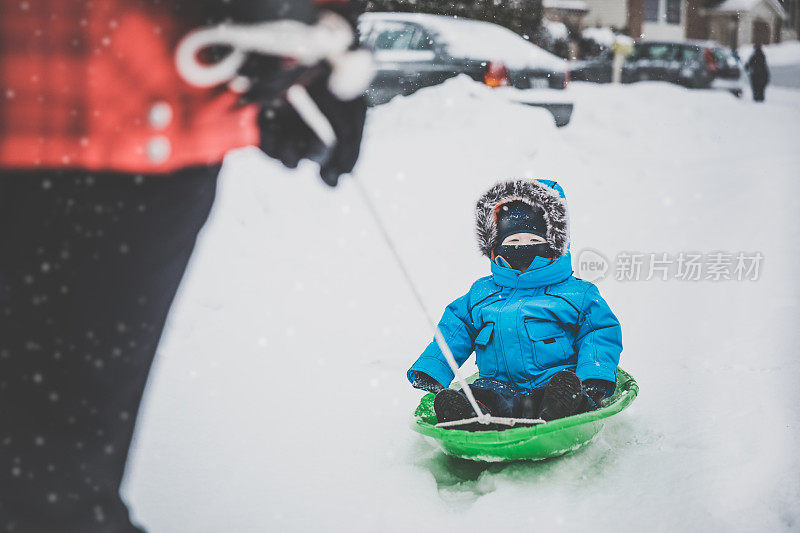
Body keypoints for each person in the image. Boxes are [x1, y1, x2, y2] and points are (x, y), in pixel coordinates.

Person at [0, 1, 370, 531]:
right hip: (125, 117)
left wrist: (314, 35)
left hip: (135, 126)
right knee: (42, 489)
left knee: (45, 485)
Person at [407, 179, 622, 429]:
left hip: (551, 382)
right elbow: (456, 328)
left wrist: (594, 374)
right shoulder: (482, 292)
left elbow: (598, 331)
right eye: (513, 241)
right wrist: (434, 367)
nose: (523, 248)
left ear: (553, 244)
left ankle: (564, 408)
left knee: (563, 389)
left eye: (533, 241)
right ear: (496, 245)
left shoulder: (576, 293)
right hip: (498, 386)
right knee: (481, 395)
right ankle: (472, 415)